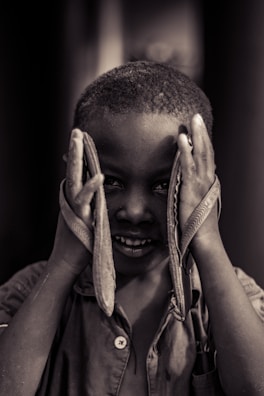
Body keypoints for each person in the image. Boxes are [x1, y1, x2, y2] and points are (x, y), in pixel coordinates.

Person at [0, 60, 263, 396]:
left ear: (200, 185)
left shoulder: (227, 297)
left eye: (163, 185)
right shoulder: (28, 292)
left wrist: (207, 239)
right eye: (110, 181)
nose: (134, 212)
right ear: (76, 173)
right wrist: (64, 262)